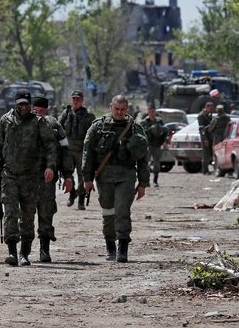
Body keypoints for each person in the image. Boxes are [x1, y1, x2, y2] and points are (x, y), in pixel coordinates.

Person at [0, 89, 58, 266]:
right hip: (9, 175)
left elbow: (51, 145)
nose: (23, 107)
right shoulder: (6, 121)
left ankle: (24, 253)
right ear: (15, 103)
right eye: (20, 104)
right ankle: (12, 252)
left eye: (26, 104)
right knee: (10, 213)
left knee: (28, 216)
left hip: (31, 177)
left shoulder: (38, 122)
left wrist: (50, 167)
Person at [82, 94, 149, 263]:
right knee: (108, 213)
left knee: (122, 211)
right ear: (111, 107)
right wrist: (87, 179)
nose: (119, 112)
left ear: (127, 109)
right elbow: (87, 153)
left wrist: (143, 183)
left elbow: (143, 159)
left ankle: (123, 248)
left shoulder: (135, 129)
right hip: (104, 177)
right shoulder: (98, 127)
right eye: (116, 109)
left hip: (126, 176)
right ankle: (110, 245)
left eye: (123, 110)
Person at [31, 94, 74, 262]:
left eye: (41, 111)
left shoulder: (55, 126)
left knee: (46, 212)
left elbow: (65, 152)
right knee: (25, 214)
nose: (38, 114)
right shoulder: (23, 124)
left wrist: (68, 176)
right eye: (35, 111)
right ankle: (23, 249)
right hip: (26, 177)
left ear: (46, 110)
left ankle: (44, 249)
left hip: (48, 178)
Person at [58, 90, 96, 210]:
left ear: (82, 101)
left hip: (82, 150)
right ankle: (72, 193)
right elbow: (58, 128)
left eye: (78, 99)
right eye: (74, 99)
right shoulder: (66, 113)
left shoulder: (88, 115)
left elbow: (94, 132)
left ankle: (81, 201)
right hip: (68, 150)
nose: (75, 101)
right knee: (66, 173)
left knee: (83, 176)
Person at [140, 104, 168, 187]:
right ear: (147, 112)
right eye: (149, 112)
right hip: (147, 145)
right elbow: (140, 134)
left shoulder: (159, 121)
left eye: (152, 111)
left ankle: (155, 181)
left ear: (154, 111)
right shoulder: (144, 122)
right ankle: (146, 181)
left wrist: (164, 141)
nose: (151, 113)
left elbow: (165, 131)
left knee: (156, 164)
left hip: (157, 145)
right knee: (146, 164)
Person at [197, 102, 214, 175]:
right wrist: (204, 139)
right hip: (205, 137)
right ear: (206, 107)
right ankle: (205, 170)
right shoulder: (202, 115)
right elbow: (201, 129)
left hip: (210, 136)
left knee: (209, 154)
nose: (211, 109)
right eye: (210, 108)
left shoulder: (208, 115)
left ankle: (207, 169)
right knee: (206, 154)